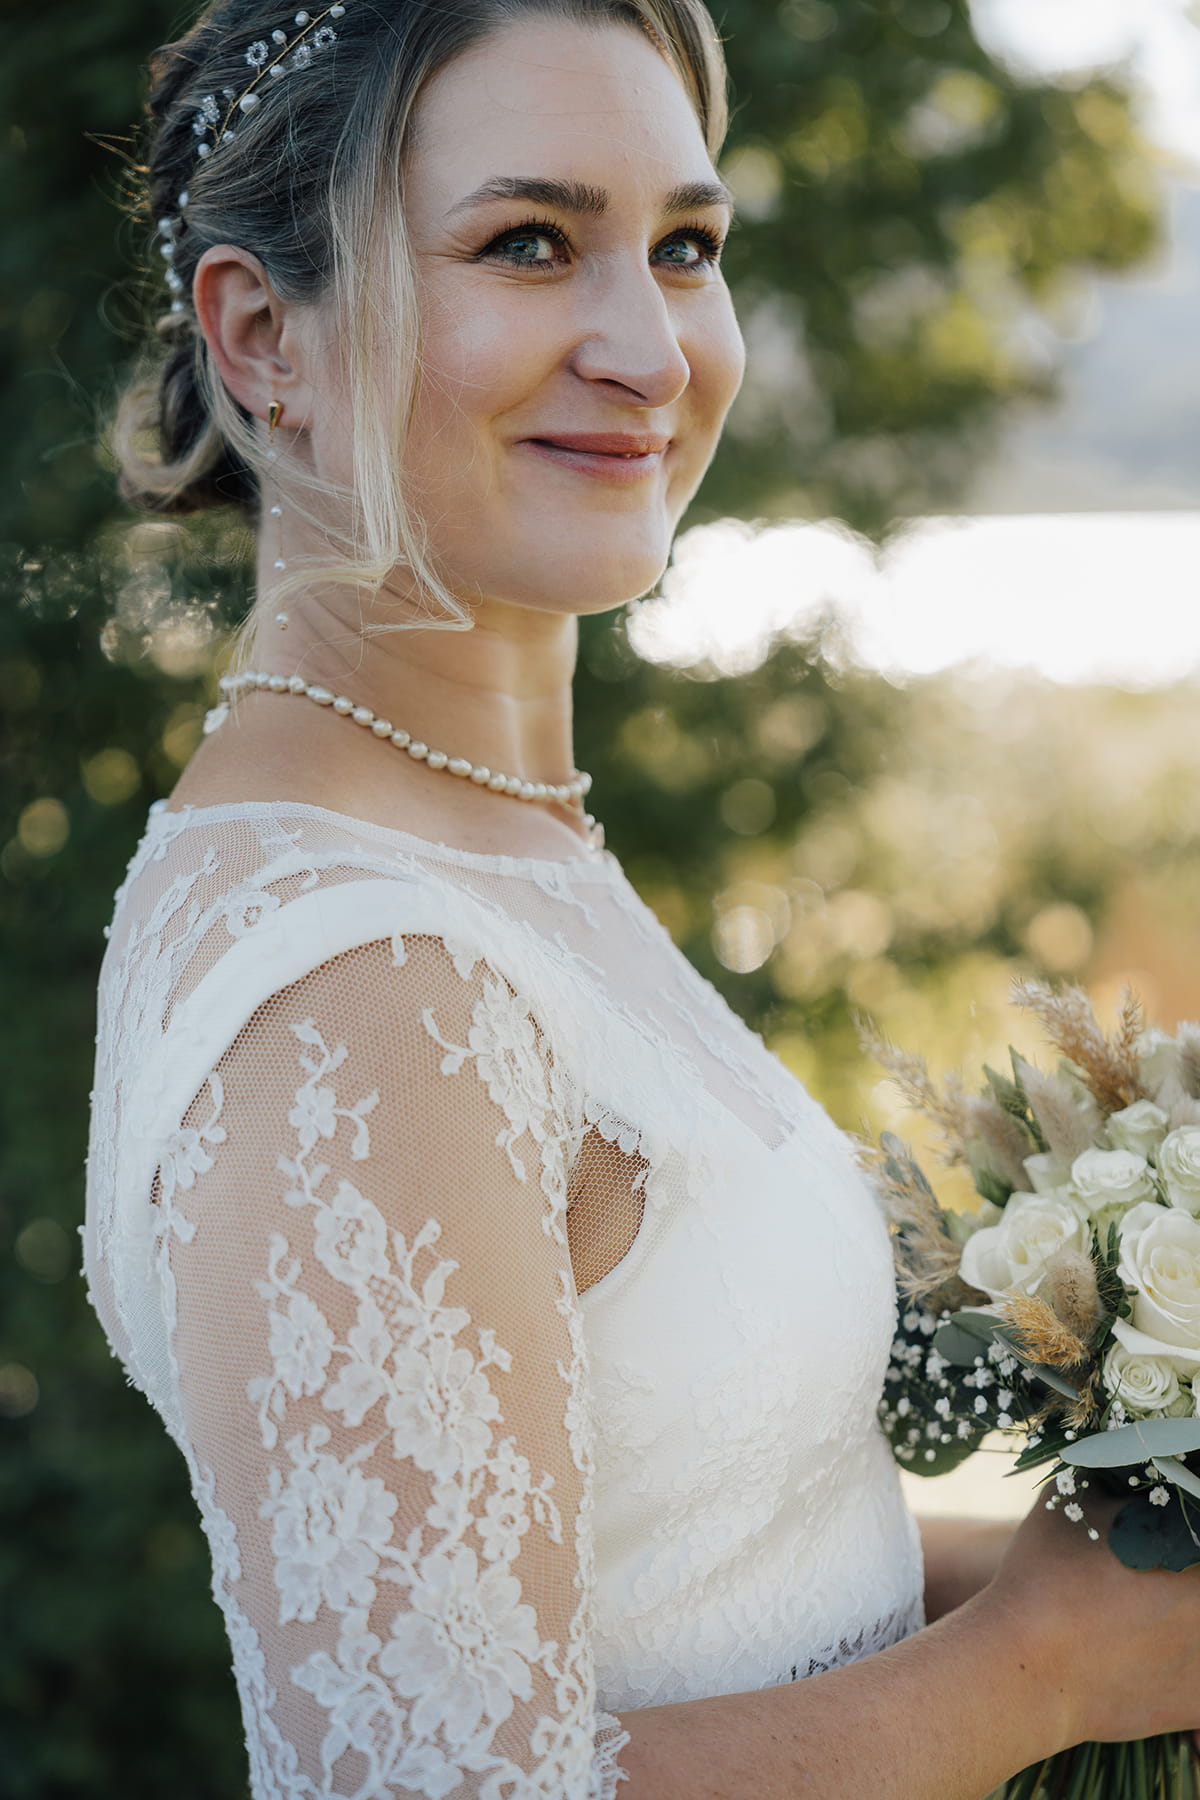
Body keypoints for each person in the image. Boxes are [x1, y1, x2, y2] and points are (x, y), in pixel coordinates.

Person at [82, 2, 1200, 1796]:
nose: (650, 348)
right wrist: (1042, 1673)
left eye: (684, 247)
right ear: (264, 333)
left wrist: (1104, 1600)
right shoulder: (364, 988)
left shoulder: (497, 848)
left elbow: (701, 1566)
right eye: (529, 244)